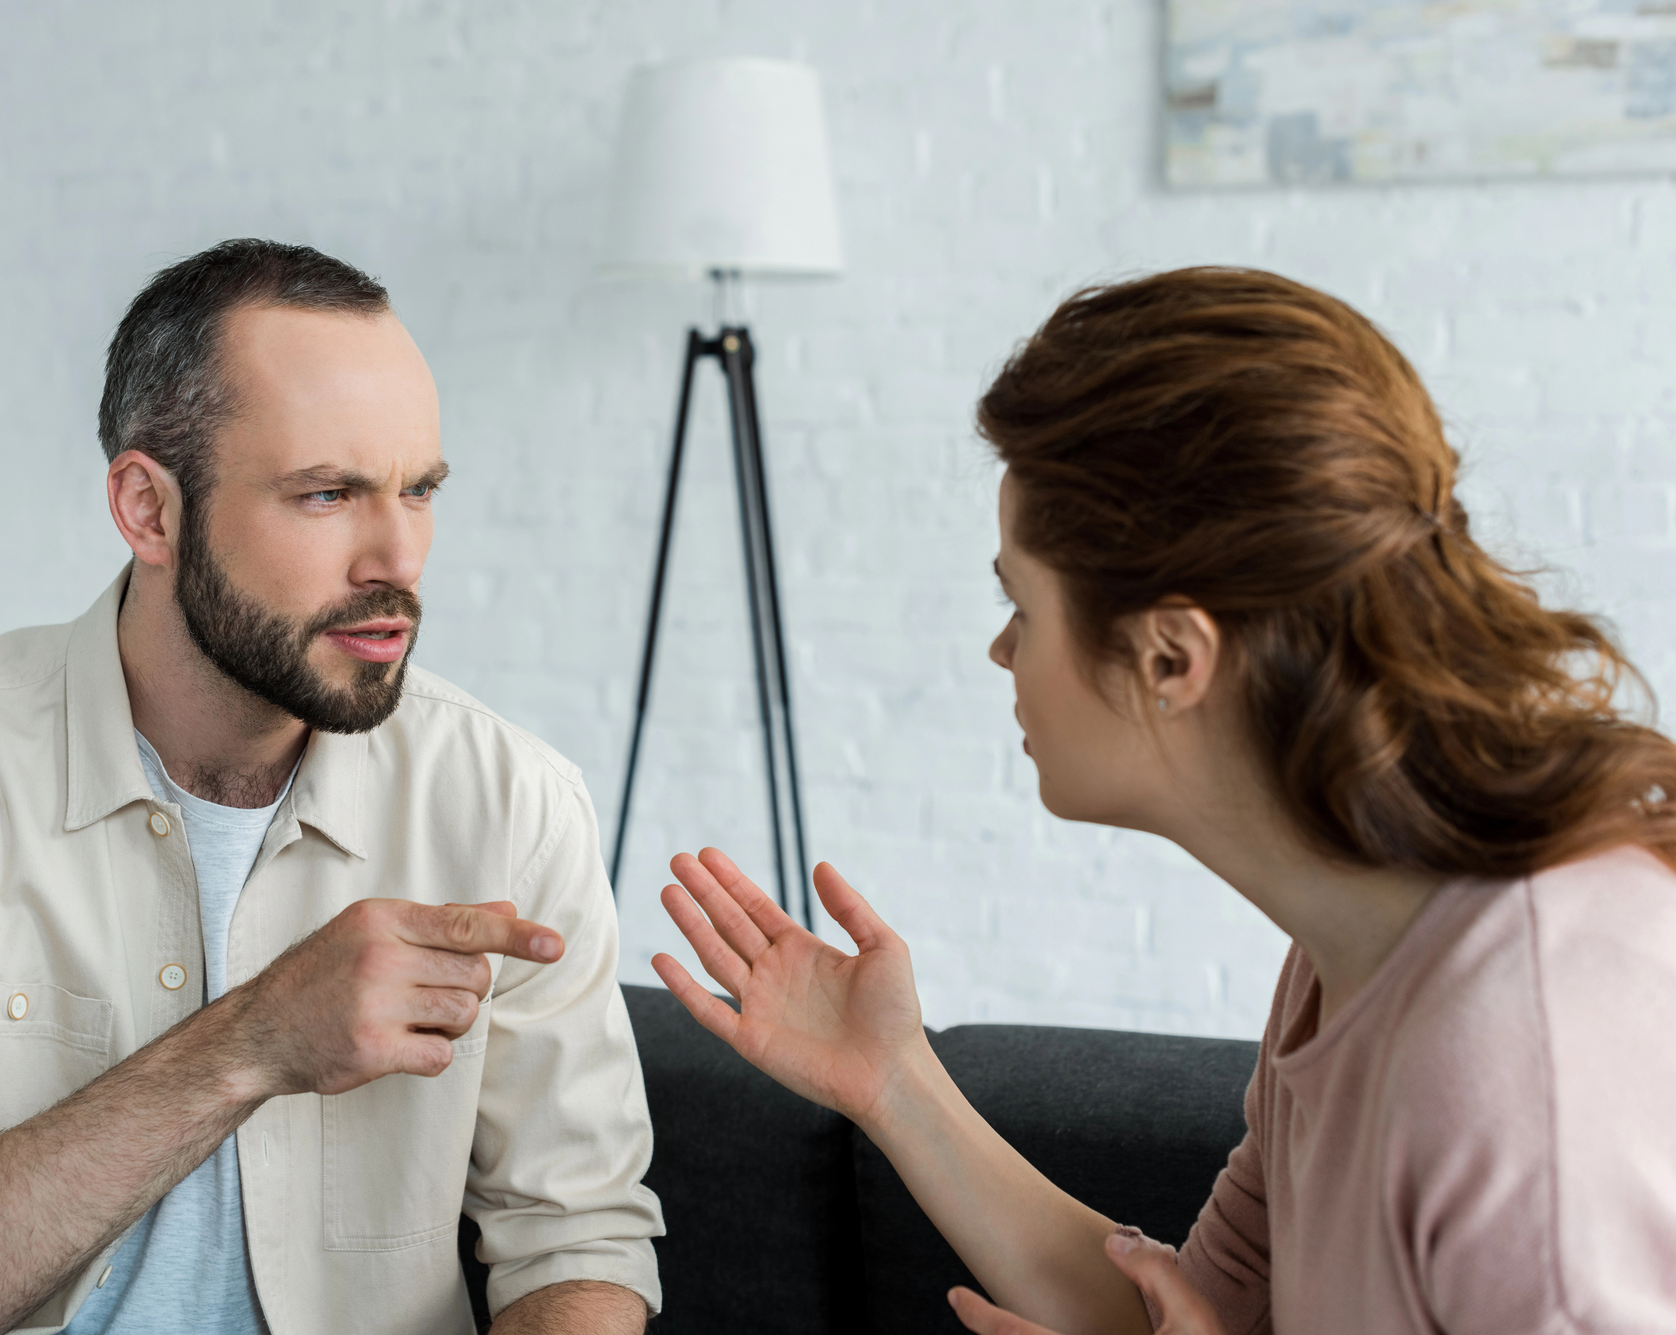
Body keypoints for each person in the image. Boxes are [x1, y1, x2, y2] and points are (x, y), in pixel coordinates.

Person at [653, 267, 1676, 1334]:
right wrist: (894, 1081)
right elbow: (1191, 1310)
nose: (998, 648)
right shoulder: (1349, 950)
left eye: (1021, 604)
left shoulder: (1522, 1057)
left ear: (1169, 657)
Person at [0, 240, 662, 1335]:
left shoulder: (510, 802)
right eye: (326, 495)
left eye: (419, 491)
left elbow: (573, 1240)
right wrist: (252, 1043)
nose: (397, 558)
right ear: (149, 510)